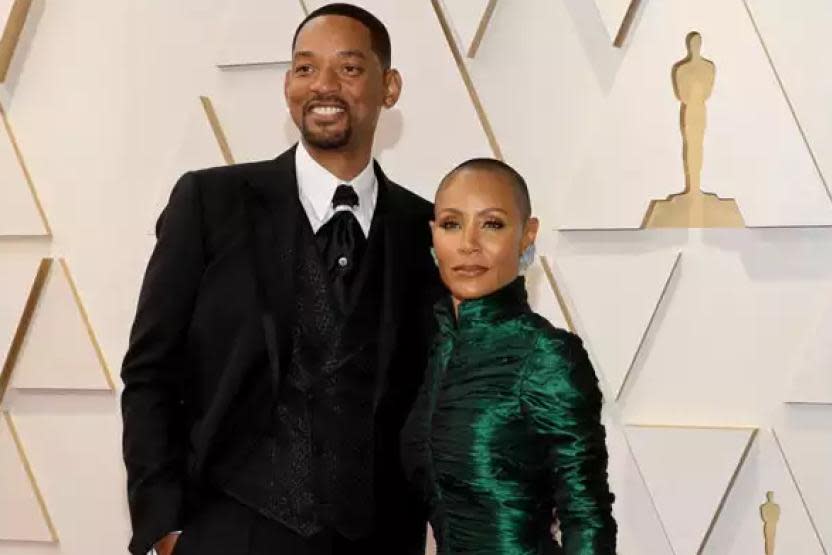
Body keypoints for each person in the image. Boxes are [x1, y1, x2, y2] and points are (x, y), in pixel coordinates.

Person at [120, 4, 441, 555]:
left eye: (348, 68)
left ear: (389, 87)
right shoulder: (209, 202)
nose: (323, 86)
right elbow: (150, 372)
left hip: (378, 539)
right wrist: (164, 528)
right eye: (304, 68)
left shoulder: (426, 230)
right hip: (227, 531)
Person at [401, 158, 617, 554]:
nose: (468, 243)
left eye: (492, 224)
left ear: (526, 235)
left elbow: (587, 516)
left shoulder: (546, 355)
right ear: (433, 236)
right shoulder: (435, 350)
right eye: (451, 224)